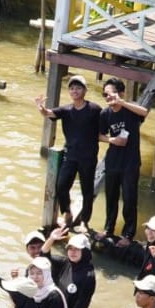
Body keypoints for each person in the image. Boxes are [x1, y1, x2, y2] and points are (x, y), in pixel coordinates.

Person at [35, 73, 102, 228]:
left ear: (85, 90)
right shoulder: (66, 109)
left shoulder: (94, 109)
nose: (75, 91)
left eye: (78, 88)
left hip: (88, 157)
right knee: (61, 186)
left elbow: (103, 127)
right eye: (72, 88)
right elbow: (49, 113)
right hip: (71, 155)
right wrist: (41, 107)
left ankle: (85, 222)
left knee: (87, 191)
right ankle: (67, 212)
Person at [97, 77, 148, 245]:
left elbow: (144, 112)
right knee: (111, 197)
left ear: (120, 93)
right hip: (113, 161)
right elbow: (97, 135)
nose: (108, 98)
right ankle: (108, 228)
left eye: (111, 94)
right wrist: (112, 140)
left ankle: (128, 235)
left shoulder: (131, 111)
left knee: (129, 198)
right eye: (105, 95)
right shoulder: (105, 114)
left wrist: (122, 102)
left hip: (131, 163)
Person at [42, 230, 97, 308]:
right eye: (70, 249)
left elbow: (82, 304)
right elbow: (43, 256)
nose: (72, 252)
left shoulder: (89, 275)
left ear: (85, 251)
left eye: (77, 249)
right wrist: (51, 239)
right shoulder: (65, 263)